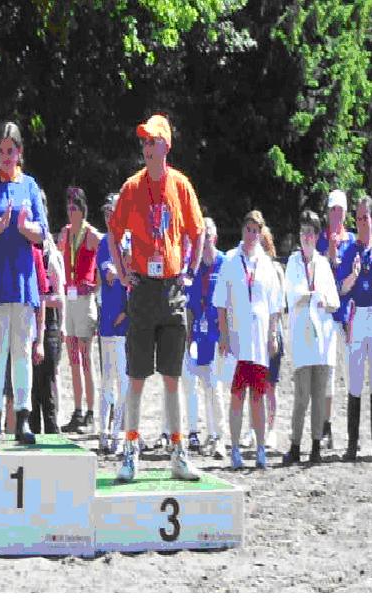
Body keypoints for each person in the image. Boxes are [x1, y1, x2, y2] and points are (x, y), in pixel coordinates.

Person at [106, 114, 205, 481]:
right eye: (144, 142)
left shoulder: (181, 186)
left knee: (172, 377)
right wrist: (122, 271)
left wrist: (190, 272)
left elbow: (197, 232)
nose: (147, 148)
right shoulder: (132, 188)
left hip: (173, 288)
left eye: (153, 141)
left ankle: (178, 452)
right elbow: (113, 234)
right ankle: (130, 450)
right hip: (144, 289)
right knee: (135, 376)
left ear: (166, 146)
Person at [0, 121, 47, 445]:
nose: (5, 156)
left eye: (10, 151)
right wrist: (0, 225)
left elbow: (42, 234)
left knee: (21, 353)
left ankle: (24, 420)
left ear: (19, 153)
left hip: (24, 283)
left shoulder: (29, 185)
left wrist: (25, 226)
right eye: (1, 151)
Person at [214, 210, 284, 470]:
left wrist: (273, 334)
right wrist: (222, 333)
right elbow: (220, 302)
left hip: (259, 341)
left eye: (256, 230)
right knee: (237, 396)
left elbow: (275, 305)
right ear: (242, 231)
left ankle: (261, 448)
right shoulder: (231, 260)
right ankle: (234, 449)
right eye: (248, 229)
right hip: (236, 340)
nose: (252, 235)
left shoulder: (267, 264)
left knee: (259, 395)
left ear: (261, 232)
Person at [282, 210, 340, 465]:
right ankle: (295, 445)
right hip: (301, 339)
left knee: (319, 394)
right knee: (301, 395)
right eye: (303, 231)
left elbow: (334, 301)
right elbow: (292, 294)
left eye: (311, 232)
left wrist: (322, 299)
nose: (306, 236)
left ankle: (316, 445)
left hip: (323, 340)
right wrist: (312, 295)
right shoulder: (294, 263)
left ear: (317, 236)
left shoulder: (324, 264)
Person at [336, 195, 372, 462]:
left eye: (366, 217)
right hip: (356, 317)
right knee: (354, 381)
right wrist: (352, 274)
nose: (362, 222)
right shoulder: (351, 250)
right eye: (359, 218)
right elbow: (341, 288)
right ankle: (352, 444)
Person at [182, 217, 228, 459]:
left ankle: (219, 437)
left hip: (218, 334)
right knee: (194, 383)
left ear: (215, 238)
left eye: (208, 236)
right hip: (198, 334)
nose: (205, 240)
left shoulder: (224, 263)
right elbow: (190, 305)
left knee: (215, 387)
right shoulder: (195, 266)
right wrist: (189, 337)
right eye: (202, 236)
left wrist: (226, 335)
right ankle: (198, 433)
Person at [57, 187, 101, 434]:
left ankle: (92, 411)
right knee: (73, 357)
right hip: (69, 299)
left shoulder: (91, 235)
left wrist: (95, 286)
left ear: (83, 209)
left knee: (86, 357)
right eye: (68, 207)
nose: (71, 212)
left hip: (84, 301)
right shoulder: (64, 234)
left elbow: (107, 261)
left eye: (75, 207)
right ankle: (77, 410)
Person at [316, 189, 355, 449]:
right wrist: (330, 252)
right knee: (328, 374)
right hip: (328, 316)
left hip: (349, 316)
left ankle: (353, 432)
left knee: (351, 375)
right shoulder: (319, 240)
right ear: (328, 212)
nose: (337, 214)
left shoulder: (352, 241)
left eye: (340, 209)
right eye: (333, 209)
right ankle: (326, 426)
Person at [96, 194, 129, 454]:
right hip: (106, 322)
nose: (110, 218)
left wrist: (127, 311)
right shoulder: (104, 244)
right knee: (107, 380)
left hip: (124, 322)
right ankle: (104, 432)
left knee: (124, 381)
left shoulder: (130, 241)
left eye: (113, 212)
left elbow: (134, 279)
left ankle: (119, 433)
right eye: (107, 213)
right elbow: (109, 276)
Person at [30, 226, 65, 434]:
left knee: (47, 389)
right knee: (32, 391)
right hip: (30, 328)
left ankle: (53, 434)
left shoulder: (50, 257)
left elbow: (60, 298)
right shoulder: (27, 254)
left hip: (49, 327)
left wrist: (39, 300)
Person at [259, 225, 286, 449]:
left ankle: (271, 429)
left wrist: (274, 333)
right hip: (254, 333)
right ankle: (252, 428)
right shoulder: (249, 268)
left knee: (270, 386)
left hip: (272, 332)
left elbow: (279, 305)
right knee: (254, 383)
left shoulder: (276, 268)